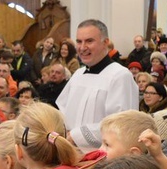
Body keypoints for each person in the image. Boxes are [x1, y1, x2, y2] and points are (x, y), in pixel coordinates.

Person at [55, 20, 138, 151]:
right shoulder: (78, 74)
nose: (82, 47)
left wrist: (77, 136)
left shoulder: (119, 75)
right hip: (70, 152)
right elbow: (62, 110)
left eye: (89, 41)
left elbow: (120, 125)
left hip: (101, 159)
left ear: (105, 43)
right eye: (79, 41)